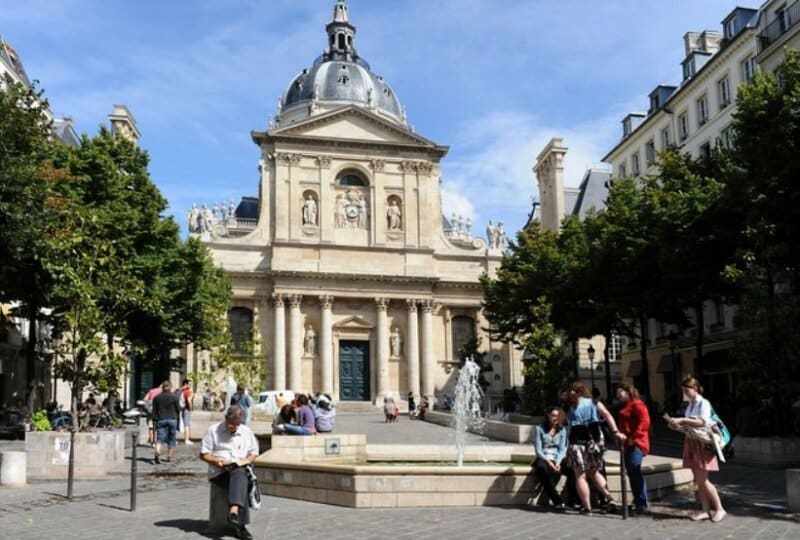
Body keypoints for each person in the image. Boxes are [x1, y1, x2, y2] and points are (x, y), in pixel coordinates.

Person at [666, 376, 726, 522]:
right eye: (683, 390)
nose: (685, 393)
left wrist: (683, 420)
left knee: (703, 480)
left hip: (702, 444)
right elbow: (690, 427)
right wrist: (676, 426)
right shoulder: (690, 404)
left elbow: (702, 422)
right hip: (692, 442)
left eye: (687, 390)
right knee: (698, 480)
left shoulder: (703, 403)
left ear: (696, 388)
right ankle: (705, 510)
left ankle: (719, 509)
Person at [200, 405, 259, 540]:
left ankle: (234, 509)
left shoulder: (246, 431)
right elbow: (203, 454)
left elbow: (254, 453)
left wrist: (245, 461)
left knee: (239, 472)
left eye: (237, 425)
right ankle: (240, 526)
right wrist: (217, 461)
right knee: (241, 478)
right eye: (231, 424)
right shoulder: (213, 430)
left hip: (239, 469)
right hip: (219, 472)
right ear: (226, 418)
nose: (234, 427)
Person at [565, 381, 621, 514]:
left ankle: (587, 507)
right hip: (595, 440)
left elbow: (565, 423)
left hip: (577, 441)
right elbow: (607, 415)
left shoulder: (570, 406)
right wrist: (615, 431)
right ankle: (609, 498)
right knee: (594, 472)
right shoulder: (594, 402)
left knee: (580, 476)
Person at [616, 383, 651, 515]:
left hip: (636, 444)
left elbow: (645, 422)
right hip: (628, 443)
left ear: (627, 392)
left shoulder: (637, 404)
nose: (618, 395)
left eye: (620, 392)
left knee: (635, 473)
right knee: (632, 473)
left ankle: (642, 503)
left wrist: (633, 438)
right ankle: (638, 501)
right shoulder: (626, 405)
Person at [532, 406, 568, 510]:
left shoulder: (562, 430)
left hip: (557, 457)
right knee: (541, 469)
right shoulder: (539, 428)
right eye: (553, 415)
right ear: (548, 416)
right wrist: (549, 461)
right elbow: (538, 450)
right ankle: (557, 500)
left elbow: (562, 449)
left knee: (572, 468)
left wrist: (557, 462)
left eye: (557, 416)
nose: (555, 418)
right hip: (543, 457)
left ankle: (574, 500)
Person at [152, 381, 181, 464]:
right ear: (170, 387)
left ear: (162, 387)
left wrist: (154, 420)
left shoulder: (157, 398)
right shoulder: (174, 397)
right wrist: (176, 415)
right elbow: (178, 409)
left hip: (161, 419)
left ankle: (157, 452)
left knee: (159, 438)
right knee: (171, 438)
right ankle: (169, 456)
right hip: (172, 419)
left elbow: (154, 411)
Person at [179, 379, 194, 445]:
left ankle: (187, 439)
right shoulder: (187, 391)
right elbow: (189, 400)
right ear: (186, 384)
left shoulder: (182, 391)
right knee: (187, 424)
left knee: (186, 424)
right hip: (186, 409)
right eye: (190, 384)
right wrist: (191, 408)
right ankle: (187, 439)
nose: (191, 385)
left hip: (182, 408)